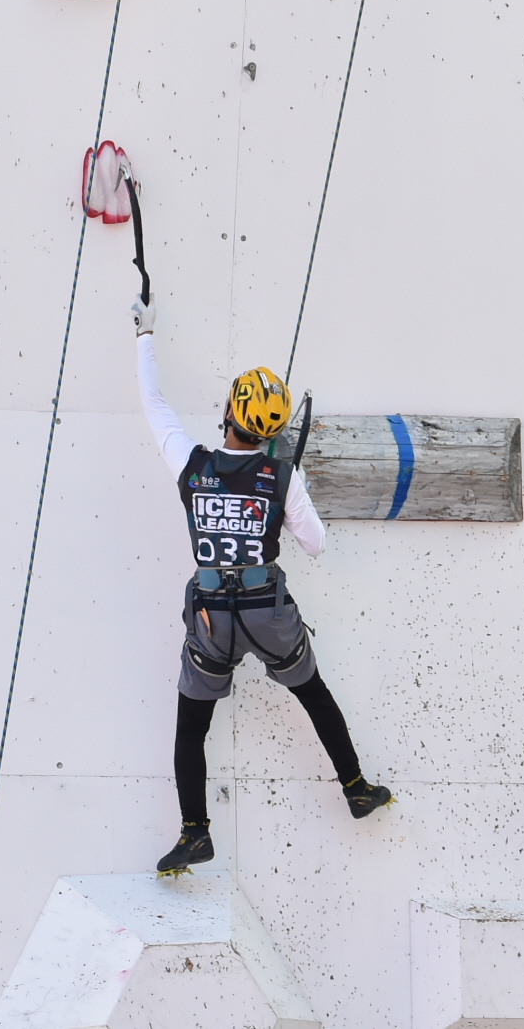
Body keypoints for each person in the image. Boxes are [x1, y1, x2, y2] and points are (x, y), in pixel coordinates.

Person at [133, 294, 392, 876]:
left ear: (229, 411)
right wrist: (282, 490)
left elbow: (154, 405)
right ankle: (355, 788)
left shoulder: (192, 465)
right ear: (271, 429)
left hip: (210, 621)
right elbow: (315, 544)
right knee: (314, 694)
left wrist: (145, 335)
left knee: (191, 728)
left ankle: (194, 832)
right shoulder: (283, 475)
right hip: (268, 615)